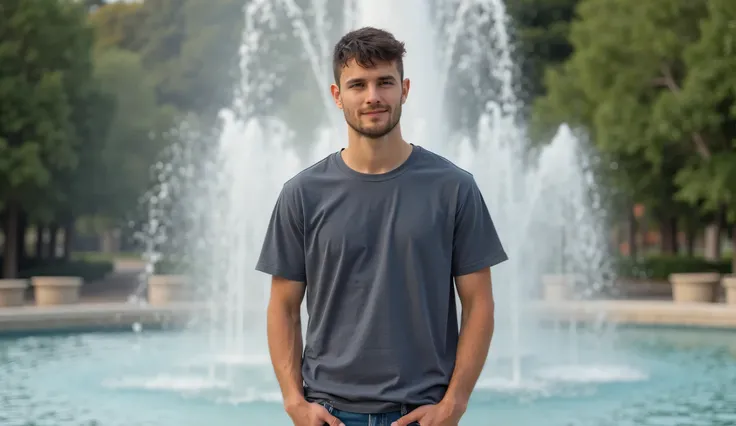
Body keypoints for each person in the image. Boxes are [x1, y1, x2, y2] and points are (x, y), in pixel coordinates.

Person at [256, 26, 508, 426]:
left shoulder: (454, 188)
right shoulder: (302, 194)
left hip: (422, 412)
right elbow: (282, 307)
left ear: (404, 89)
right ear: (338, 96)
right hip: (330, 413)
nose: (373, 96)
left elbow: (479, 304)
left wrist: (455, 403)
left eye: (384, 82)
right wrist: (293, 402)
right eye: (358, 84)